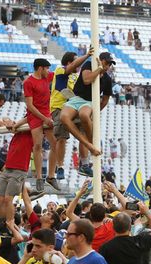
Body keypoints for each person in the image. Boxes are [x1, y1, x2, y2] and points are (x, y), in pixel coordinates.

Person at [60, 52, 114, 176]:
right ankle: (89, 145)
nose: (107, 67)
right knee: (64, 117)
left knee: (84, 116)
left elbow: (105, 98)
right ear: (100, 60)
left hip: (90, 102)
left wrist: (96, 111)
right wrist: (99, 69)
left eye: (109, 65)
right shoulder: (89, 64)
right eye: (106, 63)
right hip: (77, 98)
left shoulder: (107, 79)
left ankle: (87, 152)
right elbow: (87, 80)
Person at [50, 49, 93, 181]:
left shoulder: (78, 76)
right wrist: (86, 56)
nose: (79, 64)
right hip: (59, 107)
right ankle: (60, 166)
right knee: (62, 137)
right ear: (69, 62)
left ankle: (84, 163)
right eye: (76, 61)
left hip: (75, 106)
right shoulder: (60, 70)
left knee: (84, 132)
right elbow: (72, 67)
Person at [24, 58, 58, 193]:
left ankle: (51, 175)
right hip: (35, 116)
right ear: (41, 68)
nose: (49, 71)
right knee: (37, 145)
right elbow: (30, 106)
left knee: (55, 144)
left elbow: (63, 72)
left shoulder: (47, 77)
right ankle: (39, 177)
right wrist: (44, 118)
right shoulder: (28, 82)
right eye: (47, 68)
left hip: (46, 113)